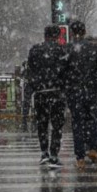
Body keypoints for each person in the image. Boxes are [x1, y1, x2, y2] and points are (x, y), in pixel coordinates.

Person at [66, 21, 97, 170]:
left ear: (71, 32)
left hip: (74, 92)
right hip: (91, 91)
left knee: (77, 123)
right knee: (93, 119)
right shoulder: (94, 48)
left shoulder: (68, 49)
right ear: (84, 31)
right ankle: (93, 148)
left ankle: (80, 157)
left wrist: (68, 88)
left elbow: (63, 71)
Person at [27, 25, 67, 168]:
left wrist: (34, 86)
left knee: (42, 124)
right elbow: (66, 72)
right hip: (56, 92)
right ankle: (54, 155)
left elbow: (30, 71)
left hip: (40, 93)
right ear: (57, 36)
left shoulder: (35, 50)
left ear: (44, 35)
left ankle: (44, 152)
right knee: (57, 125)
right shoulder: (62, 51)